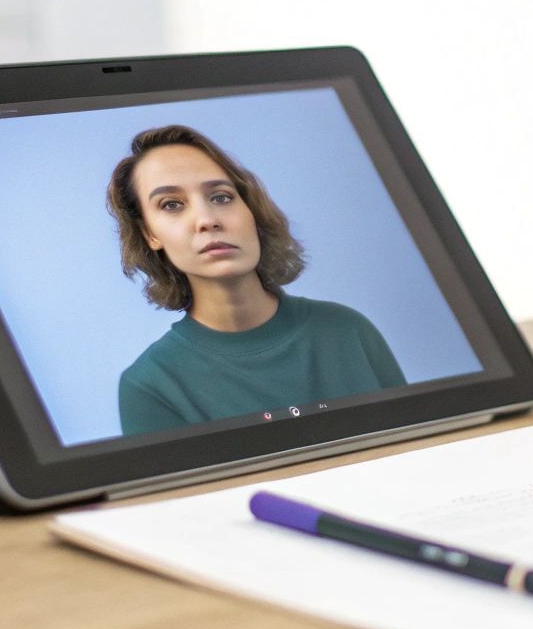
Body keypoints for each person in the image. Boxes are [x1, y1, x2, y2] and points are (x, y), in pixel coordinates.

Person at [107, 125, 407, 435]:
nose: (208, 220)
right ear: (150, 234)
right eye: (172, 204)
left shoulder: (348, 330)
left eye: (221, 197)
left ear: (250, 210)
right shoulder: (150, 386)